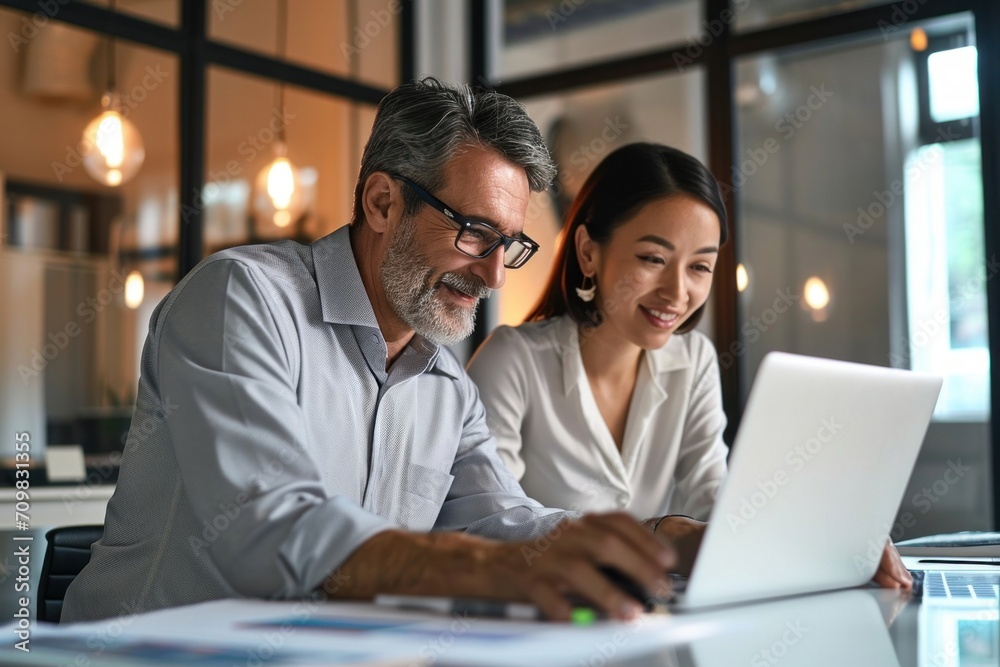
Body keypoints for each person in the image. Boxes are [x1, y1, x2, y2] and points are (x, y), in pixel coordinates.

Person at [60, 79, 676, 624]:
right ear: (383, 202)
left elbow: (500, 521)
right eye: (474, 233)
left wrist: (665, 542)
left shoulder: (446, 384)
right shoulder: (242, 298)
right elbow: (271, 529)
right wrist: (489, 571)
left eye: (508, 245)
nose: (494, 278)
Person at [467, 142, 913, 587]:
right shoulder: (515, 360)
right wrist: (659, 535)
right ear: (587, 251)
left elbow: (713, 494)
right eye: (653, 259)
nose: (677, 293)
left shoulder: (693, 359)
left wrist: (818, 532)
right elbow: (490, 521)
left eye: (700, 267)